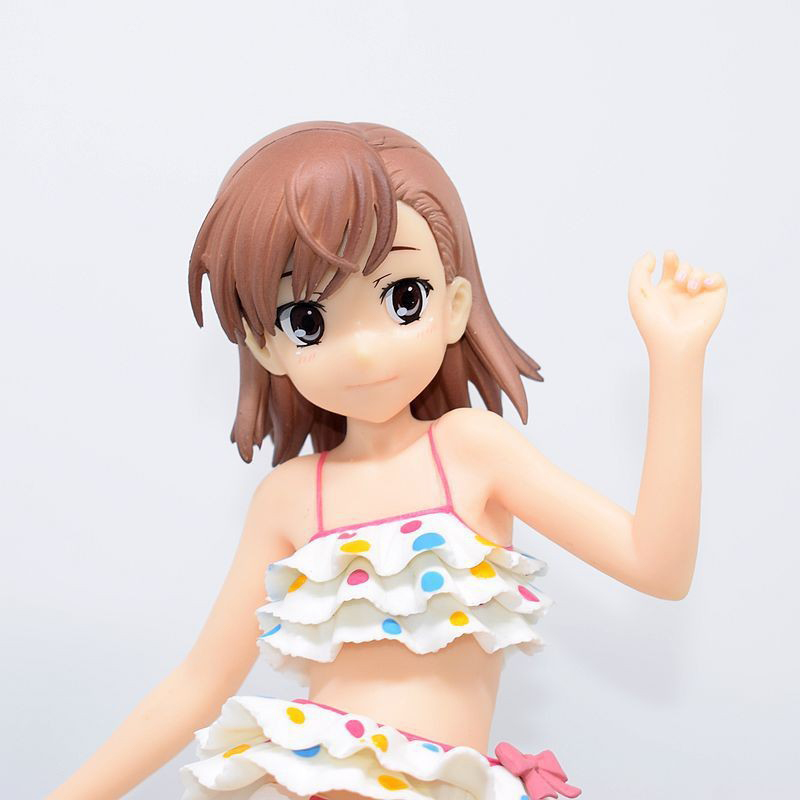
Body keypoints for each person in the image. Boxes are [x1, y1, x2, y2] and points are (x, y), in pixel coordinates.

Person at [48, 121, 727, 799]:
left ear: (454, 306)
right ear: (267, 348)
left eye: (404, 298)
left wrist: (676, 359)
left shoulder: (471, 451)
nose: (365, 350)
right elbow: (200, 681)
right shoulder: (290, 496)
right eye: (308, 321)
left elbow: (657, 566)